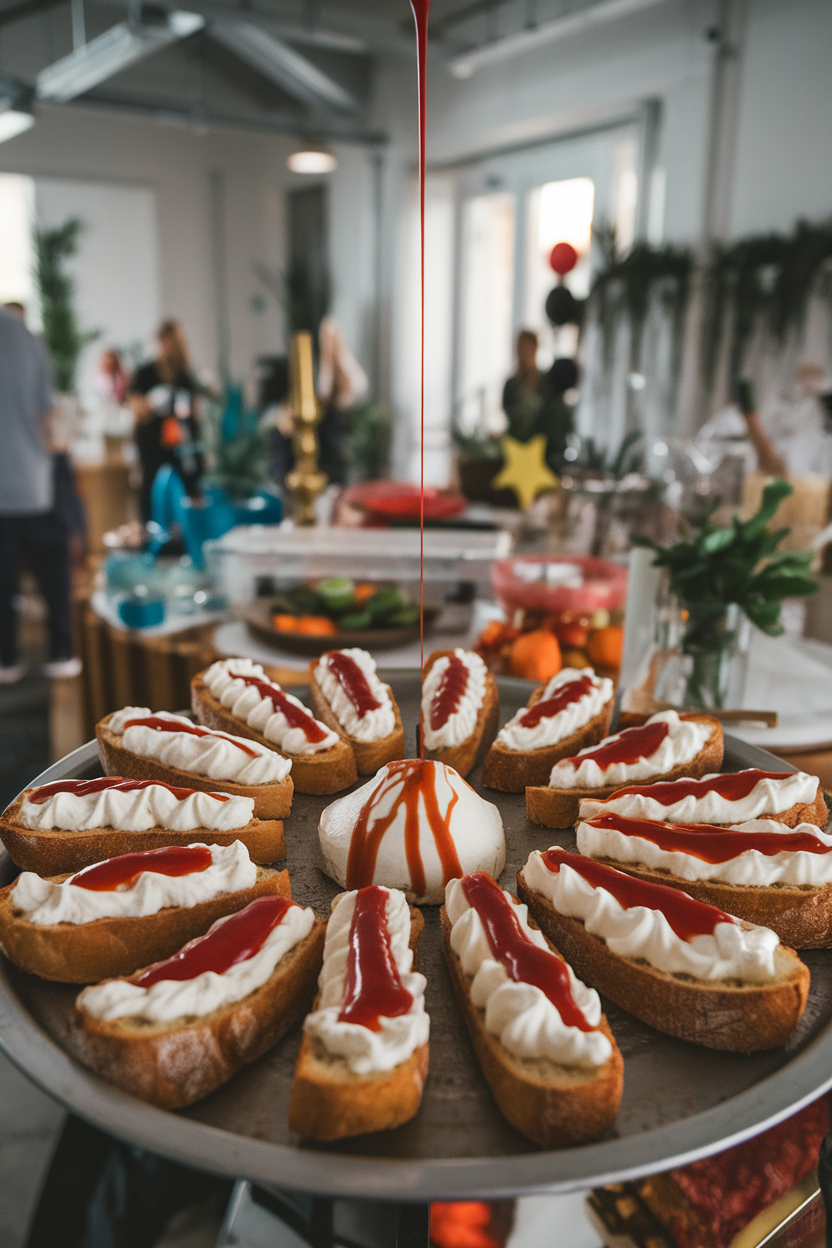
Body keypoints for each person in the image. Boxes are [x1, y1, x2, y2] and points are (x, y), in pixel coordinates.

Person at [0, 307, 80, 682]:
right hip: (33, 482)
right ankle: (61, 652)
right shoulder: (28, 339)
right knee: (53, 570)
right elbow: (47, 413)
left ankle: (6, 659)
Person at [128, 320, 204, 522]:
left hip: (181, 453)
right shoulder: (144, 374)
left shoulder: (185, 378)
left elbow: (194, 418)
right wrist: (152, 403)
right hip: (153, 453)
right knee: (152, 505)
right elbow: (137, 411)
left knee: (182, 508)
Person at [501, 329, 574, 472]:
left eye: (529, 348)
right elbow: (509, 416)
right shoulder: (510, 385)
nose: (525, 353)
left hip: (544, 459)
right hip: (516, 455)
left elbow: (556, 425)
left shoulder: (547, 383)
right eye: (521, 348)